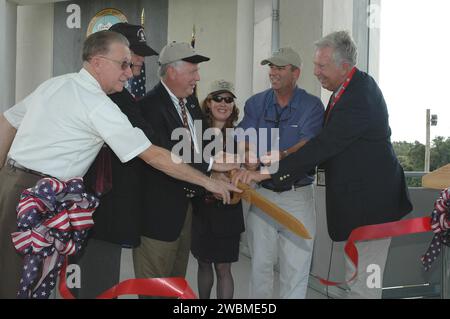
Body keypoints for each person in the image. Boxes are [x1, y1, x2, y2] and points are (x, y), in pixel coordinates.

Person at [0, 31, 239, 299]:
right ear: (98, 62)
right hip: (37, 198)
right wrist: (208, 181)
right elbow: (152, 155)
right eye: (123, 64)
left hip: (14, 185)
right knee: (22, 282)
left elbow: (7, 122)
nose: (130, 73)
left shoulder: (55, 84)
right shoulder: (98, 105)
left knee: (26, 280)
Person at [234, 31, 413, 299]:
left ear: (344, 66)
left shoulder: (359, 96)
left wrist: (265, 173)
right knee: (358, 278)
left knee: (366, 282)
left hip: (374, 210)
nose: (316, 71)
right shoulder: (346, 89)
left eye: (321, 66)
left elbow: (322, 145)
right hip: (361, 207)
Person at [132, 42, 240, 293]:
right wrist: (212, 167)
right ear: (172, 72)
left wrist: (217, 173)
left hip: (186, 214)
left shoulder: (189, 103)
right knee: (154, 289)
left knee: (175, 285)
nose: (198, 77)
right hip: (157, 219)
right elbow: (167, 155)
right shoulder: (149, 107)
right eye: (193, 71)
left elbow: (201, 145)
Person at [72, 23, 158, 299]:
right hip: (98, 211)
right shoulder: (107, 99)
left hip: (106, 211)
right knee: (96, 285)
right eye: (135, 56)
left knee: (102, 282)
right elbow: (144, 140)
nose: (140, 63)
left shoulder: (119, 95)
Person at [235, 47, 324, 299]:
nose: (273, 72)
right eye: (271, 67)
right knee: (260, 265)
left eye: (280, 68)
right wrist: (249, 153)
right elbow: (244, 136)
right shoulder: (256, 102)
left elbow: (307, 145)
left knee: (295, 268)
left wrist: (279, 155)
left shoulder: (312, 106)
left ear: (296, 73)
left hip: (297, 196)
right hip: (262, 195)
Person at [191, 80, 245, 299]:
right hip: (202, 208)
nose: (223, 104)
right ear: (209, 102)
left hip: (228, 209)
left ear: (233, 105)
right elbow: (189, 165)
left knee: (224, 268)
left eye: (229, 100)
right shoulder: (195, 133)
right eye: (218, 99)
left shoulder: (240, 136)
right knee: (204, 264)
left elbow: (243, 166)